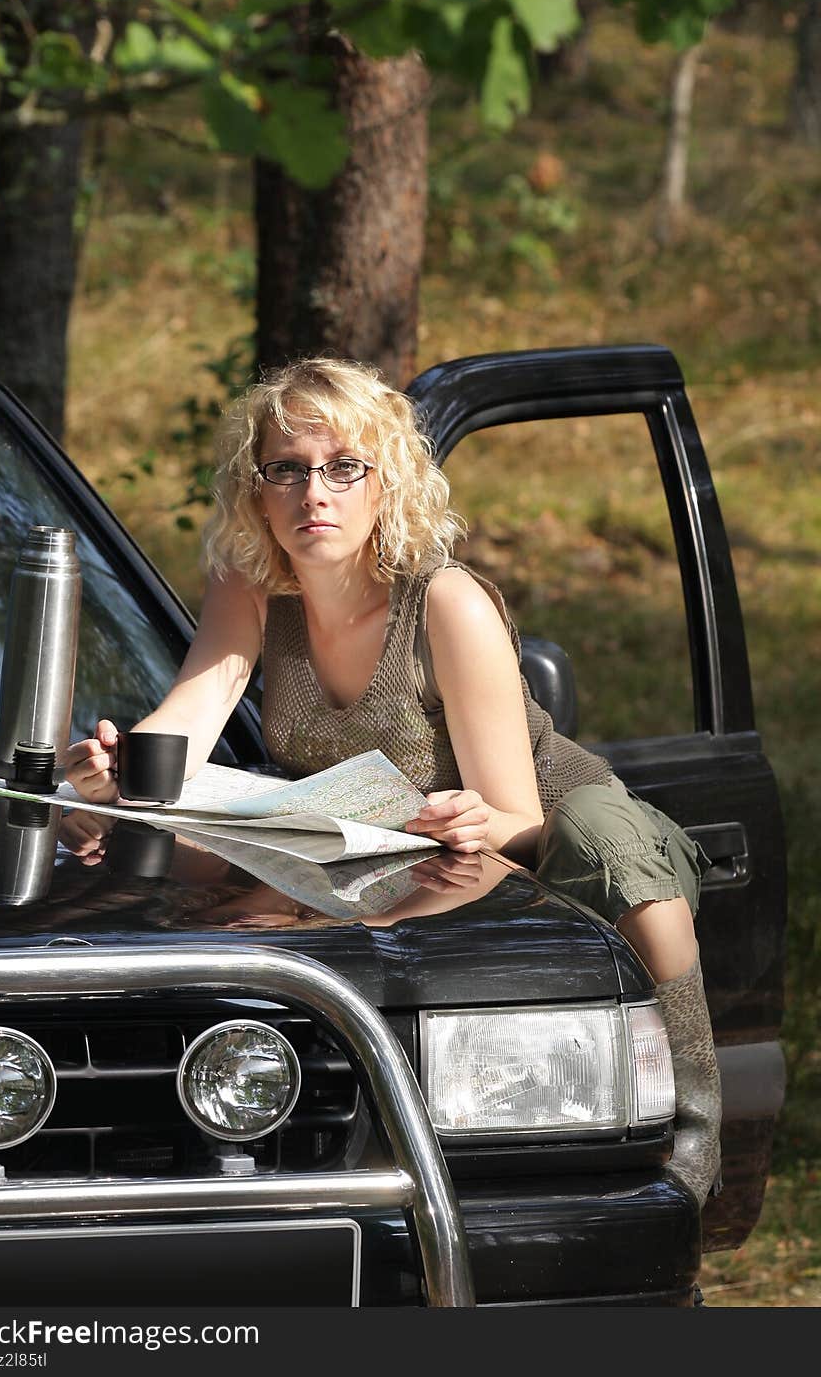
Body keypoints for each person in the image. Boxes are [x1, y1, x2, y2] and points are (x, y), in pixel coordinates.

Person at [65, 355, 721, 1207]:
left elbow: (517, 813)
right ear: (256, 488)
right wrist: (119, 771)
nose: (315, 494)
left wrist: (479, 822)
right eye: (288, 470)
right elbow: (196, 706)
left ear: (388, 481)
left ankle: (697, 1124)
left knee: (620, 856)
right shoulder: (255, 584)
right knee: (211, 863)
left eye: (344, 467)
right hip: (376, 841)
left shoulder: (445, 600)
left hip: (525, 817)